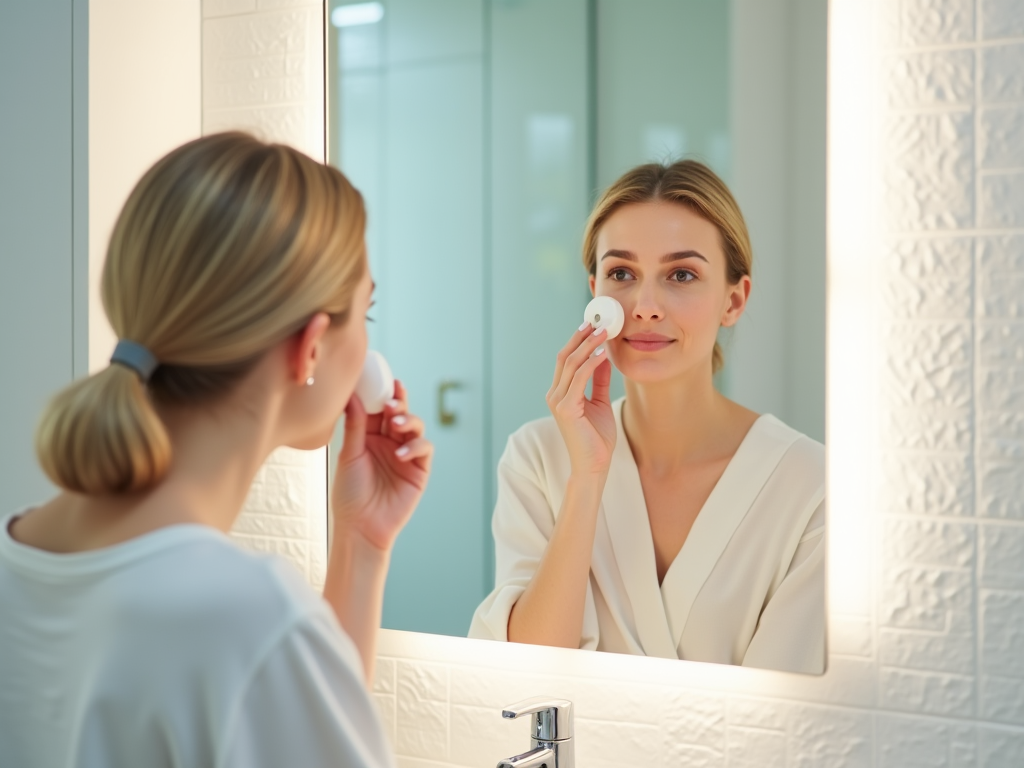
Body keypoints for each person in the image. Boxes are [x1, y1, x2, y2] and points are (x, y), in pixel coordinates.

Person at [0, 133, 430, 766]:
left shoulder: (25, 557)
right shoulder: (249, 620)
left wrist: (362, 545)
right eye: (363, 317)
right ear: (311, 346)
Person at [469, 160, 825, 674]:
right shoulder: (538, 456)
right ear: (595, 291)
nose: (646, 305)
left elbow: (781, 723)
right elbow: (528, 676)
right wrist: (587, 482)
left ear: (734, 299)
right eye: (621, 274)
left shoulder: (810, 486)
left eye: (681, 274)